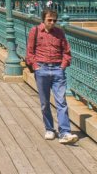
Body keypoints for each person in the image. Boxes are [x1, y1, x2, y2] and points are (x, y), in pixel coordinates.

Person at [26, 9, 77, 145]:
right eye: (49, 20)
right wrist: (36, 66)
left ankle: (65, 132)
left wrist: (63, 66)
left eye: (54, 20)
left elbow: (66, 51)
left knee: (61, 101)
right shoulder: (35, 31)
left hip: (57, 69)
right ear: (43, 19)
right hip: (41, 68)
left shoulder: (60, 33)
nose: (52, 22)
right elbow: (29, 52)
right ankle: (49, 128)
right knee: (45, 103)